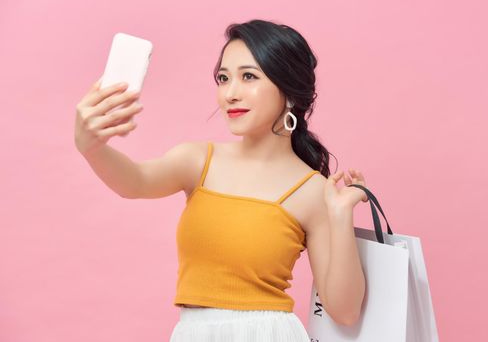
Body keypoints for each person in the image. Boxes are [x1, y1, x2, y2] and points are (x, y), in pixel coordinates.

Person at [74, 19, 368, 342]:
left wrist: (340, 217)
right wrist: (91, 146)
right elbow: (135, 182)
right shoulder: (199, 161)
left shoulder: (312, 190)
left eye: (248, 77)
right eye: (224, 78)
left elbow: (345, 311)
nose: (230, 94)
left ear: (289, 93)